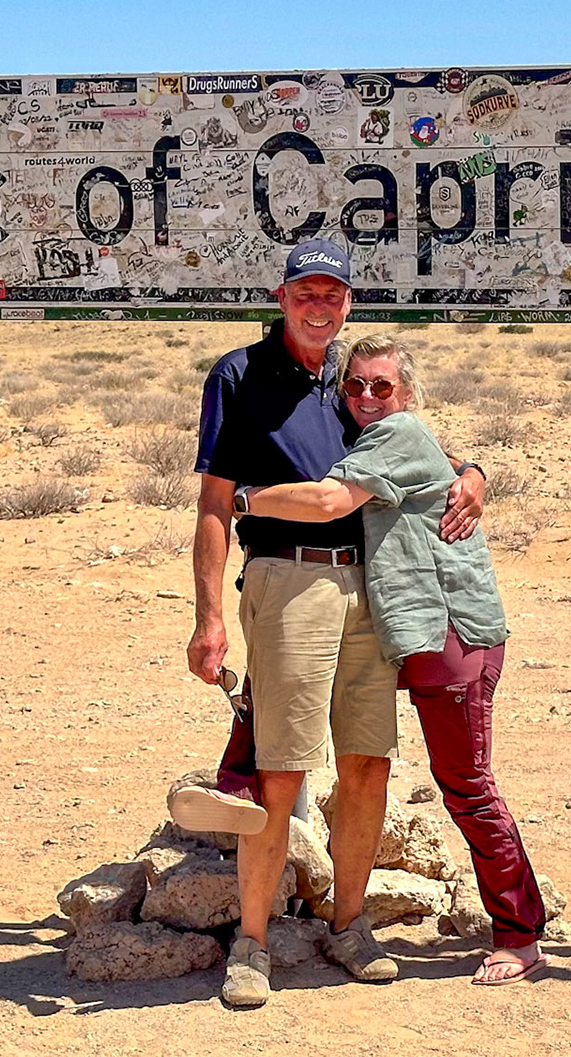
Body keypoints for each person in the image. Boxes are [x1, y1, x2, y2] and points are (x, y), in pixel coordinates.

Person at [182, 240, 486, 1009]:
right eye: (305, 293)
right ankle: (252, 945)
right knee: (280, 769)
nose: (319, 307)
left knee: (367, 764)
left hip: (371, 586)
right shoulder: (239, 375)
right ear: (281, 297)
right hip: (289, 581)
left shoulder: (354, 381)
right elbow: (215, 502)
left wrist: (476, 474)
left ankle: (349, 927)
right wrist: (209, 618)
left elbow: (425, 452)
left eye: (333, 294)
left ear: (348, 303)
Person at [226, 333, 548, 986]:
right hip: (416, 642)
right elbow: (447, 460)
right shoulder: (374, 435)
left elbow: (329, 502)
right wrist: (473, 470)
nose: (367, 395)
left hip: (452, 638)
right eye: (355, 384)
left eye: (382, 385)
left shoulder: (395, 432)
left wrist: (239, 499)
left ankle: (520, 934)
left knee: (468, 787)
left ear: (407, 392)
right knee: (332, 753)